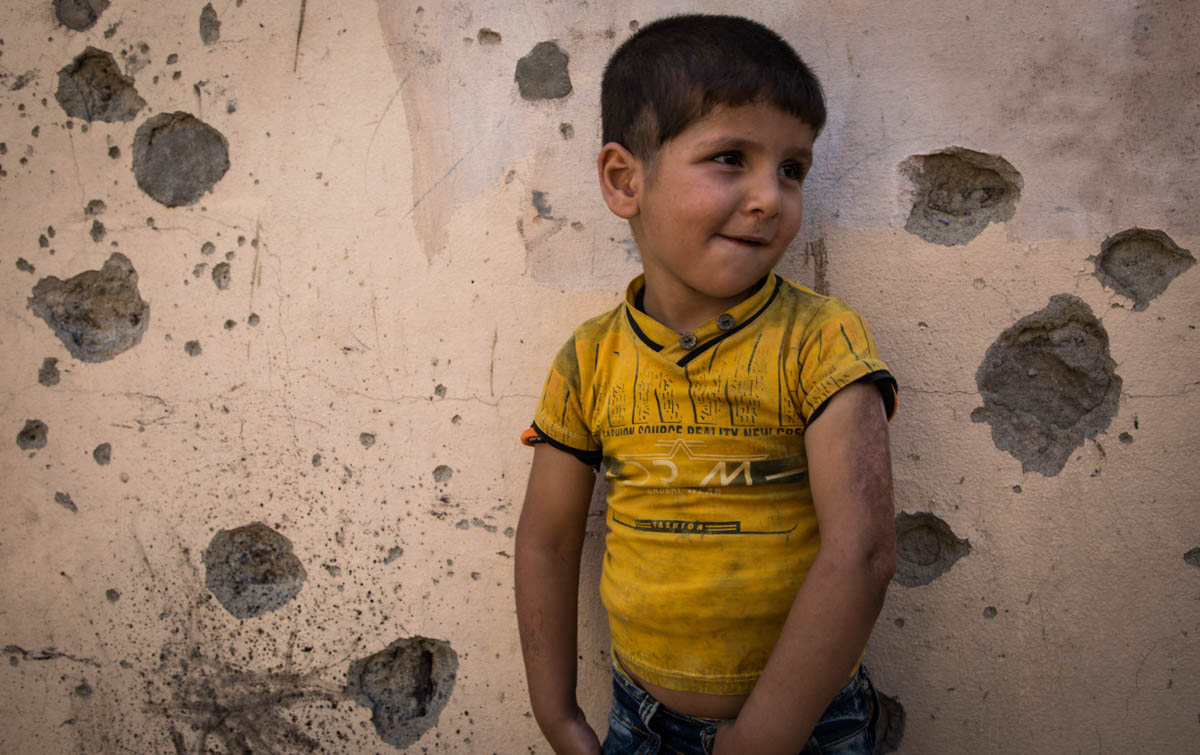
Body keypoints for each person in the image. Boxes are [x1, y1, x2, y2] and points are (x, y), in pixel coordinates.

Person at [514, 14, 898, 755]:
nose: (769, 197)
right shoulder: (589, 360)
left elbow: (863, 553)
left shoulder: (821, 340)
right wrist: (558, 716)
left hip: (803, 729)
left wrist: (761, 737)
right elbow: (548, 540)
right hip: (640, 716)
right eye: (730, 157)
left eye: (792, 168)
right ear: (625, 181)